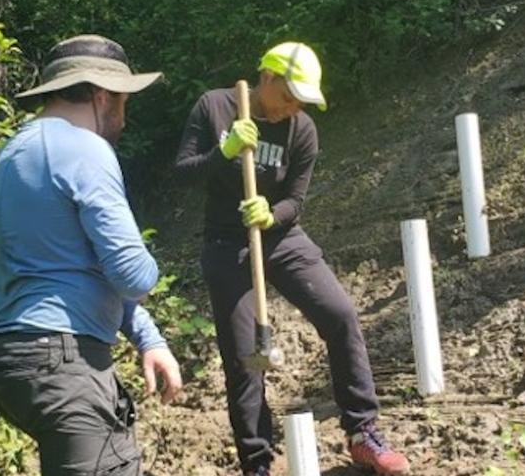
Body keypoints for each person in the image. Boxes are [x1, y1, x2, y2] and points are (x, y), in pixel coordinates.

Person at [175, 42, 411, 476]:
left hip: (281, 238)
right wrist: (223, 152)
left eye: (299, 102)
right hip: (227, 245)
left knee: (340, 315)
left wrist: (270, 213)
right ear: (267, 79)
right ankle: (257, 463)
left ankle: (363, 432)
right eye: (286, 97)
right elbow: (184, 172)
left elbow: (295, 201)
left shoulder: (302, 130)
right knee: (245, 358)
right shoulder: (214, 107)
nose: (291, 108)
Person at [0, 34, 182, 476]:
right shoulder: (84, 148)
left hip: (10, 358)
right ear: (102, 95)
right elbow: (132, 275)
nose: (125, 118)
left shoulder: (15, 151)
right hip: (61, 359)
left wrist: (149, 338)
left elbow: (77, 266)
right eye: (124, 102)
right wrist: (150, 263)